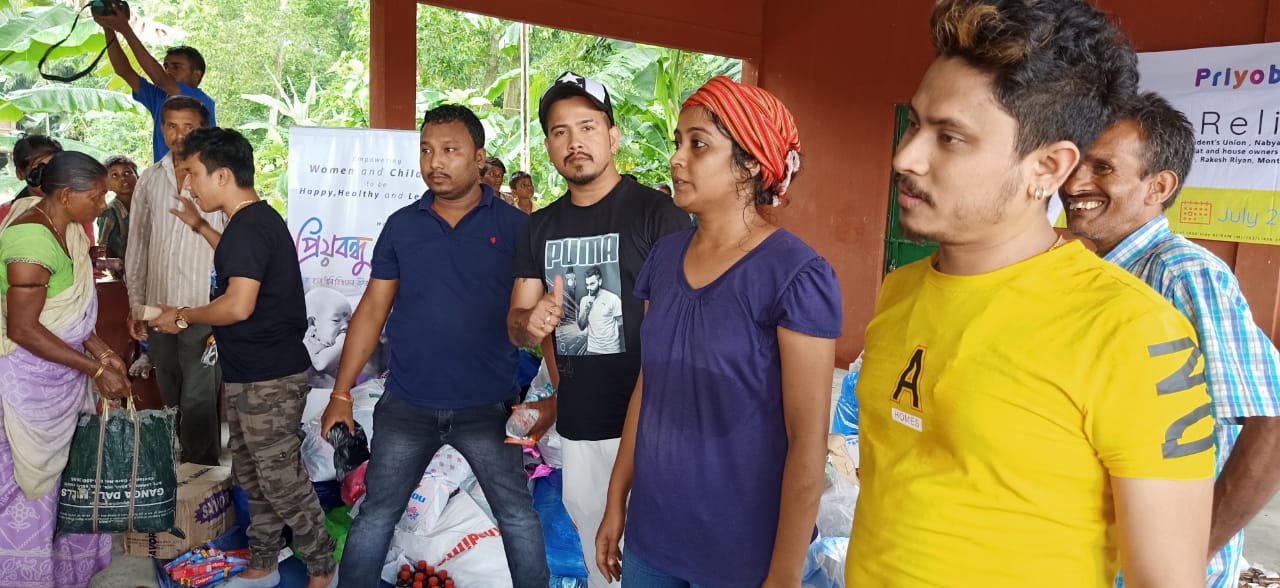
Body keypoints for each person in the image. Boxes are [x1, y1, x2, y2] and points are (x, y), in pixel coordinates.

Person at [848, 1, 1217, 586]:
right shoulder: (901, 289)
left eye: (951, 137)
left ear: (1047, 168)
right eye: (916, 124)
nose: (905, 156)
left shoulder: (1133, 333)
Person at [595, 75, 841, 587]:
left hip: (742, 551)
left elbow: (808, 441)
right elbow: (649, 385)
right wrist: (617, 498)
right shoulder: (664, 258)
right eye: (678, 142)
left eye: (699, 144)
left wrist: (784, 573)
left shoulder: (796, 275)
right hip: (653, 537)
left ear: (749, 164)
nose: (677, 159)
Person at [320, 104, 549, 588]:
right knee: (376, 516)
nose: (435, 162)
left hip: (489, 408)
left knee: (517, 517)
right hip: (407, 405)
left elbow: (538, 319)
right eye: (426, 150)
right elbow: (372, 310)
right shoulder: (403, 225)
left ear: (479, 158)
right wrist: (340, 393)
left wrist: (551, 399)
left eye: (450, 150)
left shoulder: (517, 229)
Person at [1063, 92, 1280, 588]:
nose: (1074, 184)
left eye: (1102, 168)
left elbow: (1272, 422)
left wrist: (1192, 554)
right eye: (1076, 163)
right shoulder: (1094, 271)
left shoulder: (1183, 274)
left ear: (1158, 186)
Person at [509, 71, 691, 588]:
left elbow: (677, 331)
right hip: (583, 428)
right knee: (603, 564)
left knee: (661, 564)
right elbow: (517, 324)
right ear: (549, 146)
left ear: (613, 136)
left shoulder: (660, 215)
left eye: (587, 127)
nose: (575, 142)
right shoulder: (539, 228)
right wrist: (530, 323)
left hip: (657, 428)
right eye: (560, 131)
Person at [150, 127, 335, 588]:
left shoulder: (251, 227)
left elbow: (237, 306)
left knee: (281, 480)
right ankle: (264, 560)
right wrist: (200, 227)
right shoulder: (249, 222)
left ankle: (322, 566)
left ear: (223, 175)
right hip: (250, 373)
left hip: (269, 378)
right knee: (254, 476)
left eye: (192, 173)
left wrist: (182, 315)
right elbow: (240, 261)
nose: (188, 185)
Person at [0, 151, 131, 588]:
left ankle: (62, 572)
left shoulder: (69, 230)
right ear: (65, 195)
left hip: (59, 375)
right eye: (95, 195)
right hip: (25, 383)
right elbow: (23, 328)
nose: (102, 204)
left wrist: (102, 351)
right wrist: (95, 369)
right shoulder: (31, 241)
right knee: (25, 481)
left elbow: (69, 317)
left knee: (67, 478)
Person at [126, 96, 224, 466]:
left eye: (189, 127)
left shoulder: (220, 177)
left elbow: (237, 240)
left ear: (204, 128)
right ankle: (179, 468)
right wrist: (136, 304)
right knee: (169, 385)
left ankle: (202, 471)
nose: (180, 134)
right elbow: (138, 244)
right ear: (161, 128)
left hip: (204, 307)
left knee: (199, 392)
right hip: (158, 305)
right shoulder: (151, 179)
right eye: (172, 125)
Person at [95, 11, 216, 162]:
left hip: (195, 175)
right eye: (166, 67)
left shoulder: (200, 100)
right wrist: (108, 29)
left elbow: (160, 78)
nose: (169, 71)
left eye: (176, 67)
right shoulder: (160, 97)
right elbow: (123, 70)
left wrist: (125, 28)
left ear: (196, 75)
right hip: (163, 174)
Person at [303, 286, 352, 388]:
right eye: (336, 320)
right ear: (312, 323)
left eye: (349, 321)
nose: (345, 326)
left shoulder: (339, 344)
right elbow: (320, 364)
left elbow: (322, 365)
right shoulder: (308, 341)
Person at [98, 154, 138, 260]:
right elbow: (104, 247)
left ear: (137, 177)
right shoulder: (110, 212)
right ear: (107, 185)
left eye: (127, 172)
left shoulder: (145, 206)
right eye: (115, 175)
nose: (123, 178)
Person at [576, 265, 622, 354]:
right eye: (587, 285)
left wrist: (609, 336)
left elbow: (621, 323)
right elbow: (581, 326)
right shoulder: (584, 300)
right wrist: (586, 310)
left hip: (612, 350)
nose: (589, 288)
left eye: (592, 284)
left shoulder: (613, 298)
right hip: (592, 350)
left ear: (600, 281)